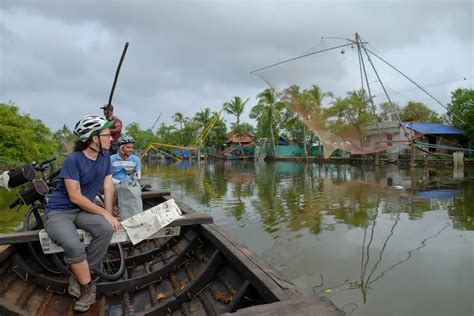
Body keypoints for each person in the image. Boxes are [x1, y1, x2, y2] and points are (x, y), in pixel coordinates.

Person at [44, 115, 121, 312]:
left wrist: (108, 214)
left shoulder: (104, 157)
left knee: (105, 228)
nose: (111, 138)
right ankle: (88, 287)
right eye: (107, 134)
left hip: (82, 211)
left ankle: (81, 274)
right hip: (60, 212)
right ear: (94, 138)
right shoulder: (73, 160)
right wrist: (104, 213)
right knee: (72, 245)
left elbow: (108, 186)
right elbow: (75, 197)